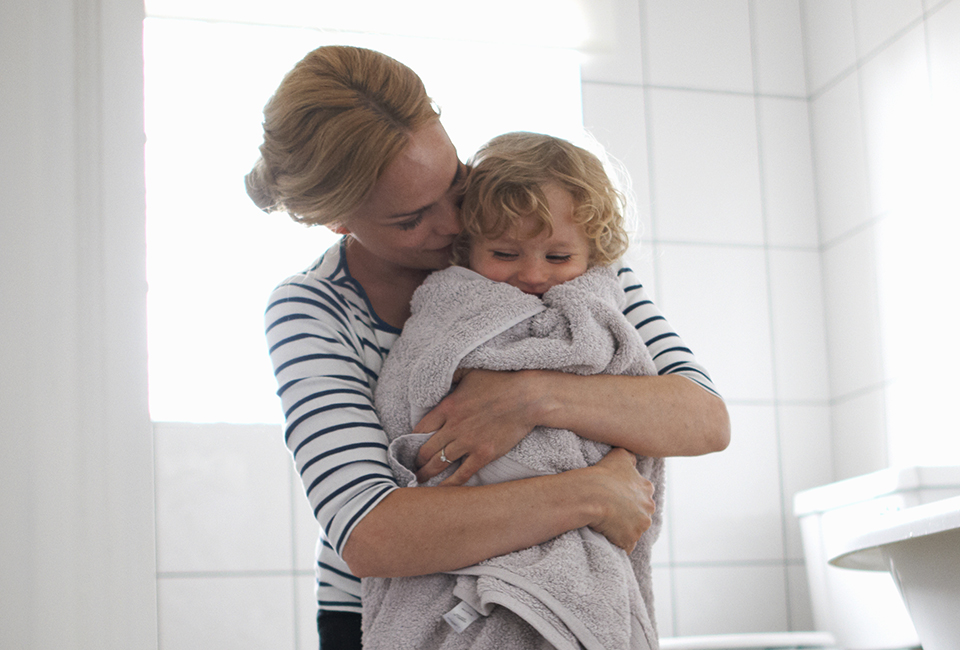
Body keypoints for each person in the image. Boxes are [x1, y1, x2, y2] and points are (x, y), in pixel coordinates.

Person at [249, 45, 729, 649]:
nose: (454, 223)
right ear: (338, 220)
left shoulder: (553, 254)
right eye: (411, 218)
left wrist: (532, 397)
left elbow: (704, 419)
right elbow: (371, 535)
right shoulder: (314, 309)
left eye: (454, 182)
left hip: (559, 603)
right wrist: (588, 493)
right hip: (392, 617)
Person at [363, 131, 670, 650]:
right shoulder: (448, 306)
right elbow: (407, 402)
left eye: (558, 257)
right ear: (466, 247)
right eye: (505, 253)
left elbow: (681, 412)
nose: (531, 275)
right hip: (455, 539)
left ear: (593, 252)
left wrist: (534, 398)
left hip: (583, 535)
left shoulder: (605, 298)